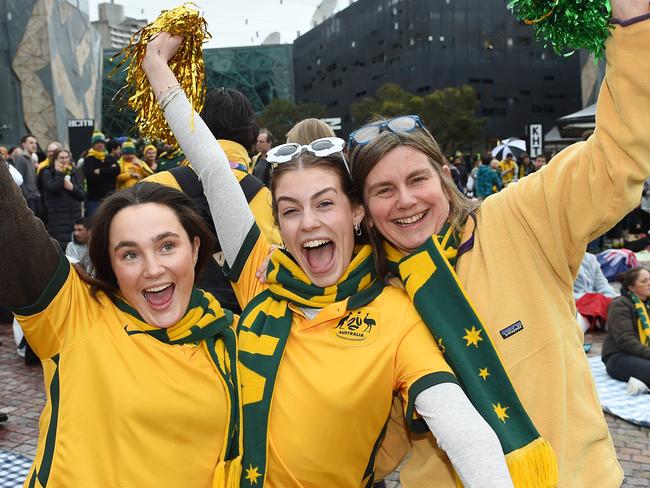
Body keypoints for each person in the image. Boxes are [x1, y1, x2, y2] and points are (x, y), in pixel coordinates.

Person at [144, 32, 514, 488]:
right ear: (277, 221)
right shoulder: (261, 275)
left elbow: (460, 425)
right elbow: (212, 166)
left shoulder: (396, 313)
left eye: (324, 204)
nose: (308, 224)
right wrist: (157, 67)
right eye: (291, 210)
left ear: (356, 211)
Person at [348, 4, 650, 486]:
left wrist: (634, 28)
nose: (405, 200)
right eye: (383, 190)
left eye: (417, 179)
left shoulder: (521, 217)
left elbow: (615, 161)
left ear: (445, 177)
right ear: (362, 208)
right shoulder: (371, 297)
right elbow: (377, 441)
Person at [0, 159, 242, 487]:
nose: (153, 268)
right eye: (130, 254)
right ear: (111, 264)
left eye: (167, 246)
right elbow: (11, 231)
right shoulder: (73, 315)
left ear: (195, 249)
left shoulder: (238, 338)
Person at [145, 87, 281, 313]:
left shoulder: (153, 187)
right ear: (251, 133)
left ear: (192, 128)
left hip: (166, 327)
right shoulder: (263, 196)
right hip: (242, 329)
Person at [602, 267, 650, 395]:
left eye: (649, 279)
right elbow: (625, 340)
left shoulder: (647, 305)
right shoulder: (620, 305)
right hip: (618, 357)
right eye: (644, 281)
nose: (649, 283)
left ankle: (642, 382)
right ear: (632, 288)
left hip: (641, 354)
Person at [41, 148, 86, 250]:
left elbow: (82, 195)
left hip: (74, 217)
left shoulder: (73, 172)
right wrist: (59, 173)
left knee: (75, 249)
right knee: (60, 248)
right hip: (57, 219)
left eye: (66, 157)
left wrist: (72, 188)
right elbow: (53, 189)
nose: (64, 160)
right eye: (61, 157)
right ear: (55, 159)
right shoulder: (48, 172)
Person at [574, 252, 619, 332]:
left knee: (618, 301)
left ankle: (600, 321)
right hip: (573, 303)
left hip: (593, 302)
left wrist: (612, 298)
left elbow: (603, 285)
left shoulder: (590, 258)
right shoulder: (558, 260)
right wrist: (589, 297)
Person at [83, 131, 120, 218]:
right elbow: (90, 176)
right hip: (94, 199)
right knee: (93, 223)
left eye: (102, 143)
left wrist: (100, 171)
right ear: (93, 145)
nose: (100, 145)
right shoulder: (89, 160)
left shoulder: (110, 158)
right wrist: (109, 171)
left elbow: (117, 170)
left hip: (110, 197)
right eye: (97, 143)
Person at [13, 134, 42, 219]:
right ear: (24, 144)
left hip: (36, 196)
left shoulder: (32, 160)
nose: (34, 145)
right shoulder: (21, 158)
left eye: (35, 143)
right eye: (31, 143)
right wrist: (27, 196)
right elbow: (18, 180)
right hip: (29, 198)